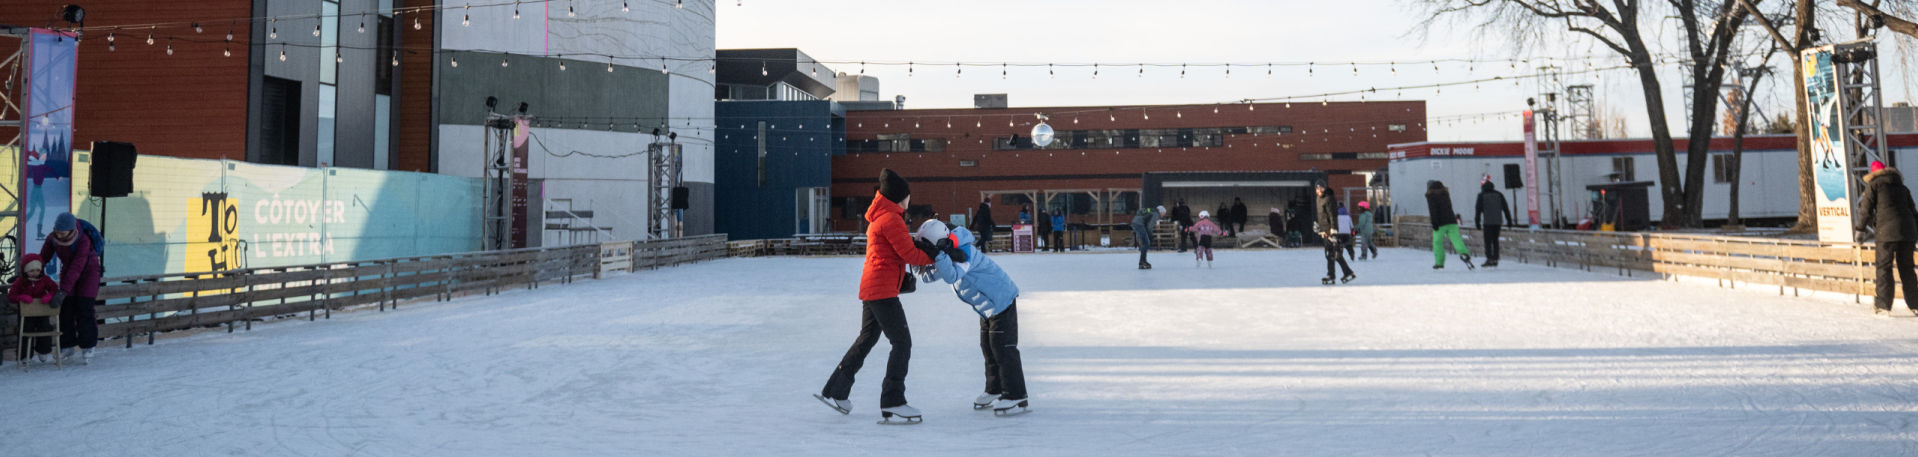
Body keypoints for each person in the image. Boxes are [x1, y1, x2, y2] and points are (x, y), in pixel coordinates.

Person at [818, 169, 937, 424]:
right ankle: (894, 400)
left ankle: (836, 391)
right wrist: (938, 255)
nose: (909, 200)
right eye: (907, 195)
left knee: (866, 340)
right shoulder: (891, 220)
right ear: (898, 197)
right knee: (902, 342)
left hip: (874, 288)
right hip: (882, 291)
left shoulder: (881, 218)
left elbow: (903, 250)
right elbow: (910, 254)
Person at [910, 221, 1031, 416]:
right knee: (988, 347)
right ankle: (995, 389)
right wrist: (917, 260)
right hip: (987, 307)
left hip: (1001, 300)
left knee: (1003, 348)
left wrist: (938, 255)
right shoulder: (946, 253)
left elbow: (951, 275)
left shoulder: (966, 252)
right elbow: (927, 277)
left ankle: (1016, 394)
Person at [1857, 161, 1918, 317]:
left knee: (1884, 268)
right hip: (1908, 231)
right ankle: (1915, 304)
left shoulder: (1873, 185)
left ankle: (1883, 306)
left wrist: (1861, 230)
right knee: (1907, 268)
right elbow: (1913, 211)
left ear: (1873, 174)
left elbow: (1866, 210)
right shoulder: (1903, 188)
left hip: (1886, 232)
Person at [42, 213, 102, 364]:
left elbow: (77, 267)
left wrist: (63, 290)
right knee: (66, 308)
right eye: (57, 231)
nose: (59, 235)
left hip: (89, 273)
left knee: (84, 307)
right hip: (69, 272)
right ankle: (67, 345)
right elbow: (42, 258)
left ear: (71, 230)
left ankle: (88, 346)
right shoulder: (53, 238)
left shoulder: (83, 240)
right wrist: (26, 272)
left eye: (62, 233)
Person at [12, 253, 58, 364]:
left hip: (42, 311)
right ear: (25, 271)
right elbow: (11, 296)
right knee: (25, 332)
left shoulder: (45, 280)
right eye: (31, 271)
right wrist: (20, 297)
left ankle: (43, 351)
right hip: (26, 313)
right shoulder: (20, 282)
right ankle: (24, 355)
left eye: (37, 270)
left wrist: (50, 295)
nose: (35, 273)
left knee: (45, 329)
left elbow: (55, 288)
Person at [1426, 181, 1473, 270]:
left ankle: (1439, 263)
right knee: (1456, 240)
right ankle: (1464, 253)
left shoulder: (1431, 196)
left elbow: (1433, 210)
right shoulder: (1445, 194)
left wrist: (1434, 223)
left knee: (1437, 243)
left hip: (1440, 224)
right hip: (1451, 221)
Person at [1316, 181, 1355, 284]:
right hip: (1325, 230)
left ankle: (1345, 272)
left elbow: (1332, 215)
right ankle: (1333, 275)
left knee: (1335, 253)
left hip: (1331, 230)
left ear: (1325, 188)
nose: (1319, 190)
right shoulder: (1318, 199)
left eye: (1321, 188)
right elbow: (1321, 216)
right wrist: (1320, 228)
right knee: (1330, 254)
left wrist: (1333, 230)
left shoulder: (1329, 198)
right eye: (1317, 188)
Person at [1474, 179, 1513, 267]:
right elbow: (1505, 208)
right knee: (1495, 240)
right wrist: (1509, 221)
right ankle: (1495, 258)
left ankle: (1489, 258)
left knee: (1488, 241)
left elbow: (1478, 209)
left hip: (1487, 222)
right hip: (1498, 221)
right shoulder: (1499, 195)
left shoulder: (1481, 195)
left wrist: (1477, 221)